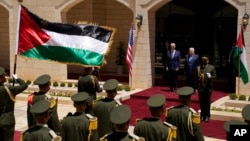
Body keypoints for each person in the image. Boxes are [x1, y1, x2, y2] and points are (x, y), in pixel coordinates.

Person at [0, 67, 28, 141]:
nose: (4, 77)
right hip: (7, 120)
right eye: (3, 76)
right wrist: (17, 78)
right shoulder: (8, 89)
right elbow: (24, 85)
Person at [195, 55, 216, 122]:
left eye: (206, 60)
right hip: (201, 87)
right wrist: (196, 87)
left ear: (208, 60)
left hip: (208, 87)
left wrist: (210, 77)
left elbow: (215, 77)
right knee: (202, 102)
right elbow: (196, 78)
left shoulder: (211, 67)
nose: (204, 61)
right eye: (203, 60)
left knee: (207, 102)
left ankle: (207, 115)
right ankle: (202, 115)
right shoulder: (198, 68)